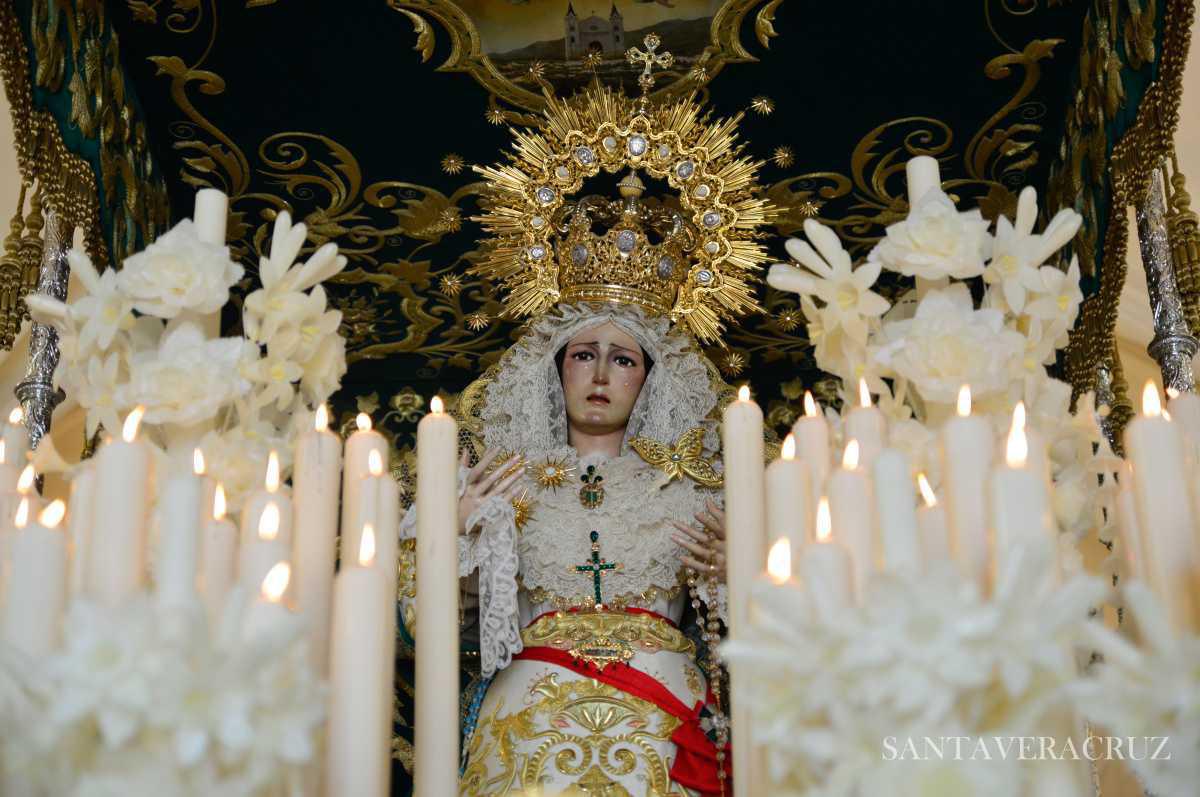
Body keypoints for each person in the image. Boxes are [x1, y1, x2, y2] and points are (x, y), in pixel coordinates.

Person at [397, 75, 775, 794]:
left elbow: (764, 640)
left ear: (650, 378)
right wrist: (452, 532)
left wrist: (743, 571)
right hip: (528, 720)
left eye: (623, 359)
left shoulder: (696, 489)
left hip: (663, 717)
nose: (601, 374)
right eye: (583, 355)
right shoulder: (498, 483)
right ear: (556, 368)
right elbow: (425, 628)